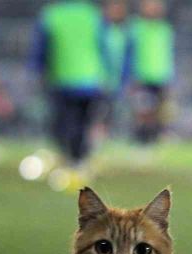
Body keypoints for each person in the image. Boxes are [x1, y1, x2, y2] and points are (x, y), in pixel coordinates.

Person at [31, 0, 108, 171]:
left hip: (62, 79)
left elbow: (41, 48)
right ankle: (78, 158)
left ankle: (70, 157)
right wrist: (105, 75)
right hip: (89, 79)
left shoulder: (51, 15)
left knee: (65, 122)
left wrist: (38, 71)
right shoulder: (92, 14)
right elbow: (103, 47)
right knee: (82, 122)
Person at [129, 0, 174, 144]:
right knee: (143, 109)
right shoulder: (135, 28)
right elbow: (130, 53)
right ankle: (142, 138)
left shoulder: (165, 29)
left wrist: (170, 75)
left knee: (157, 111)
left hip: (160, 76)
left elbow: (168, 53)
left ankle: (154, 138)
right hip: (142, 76)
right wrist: (132, 75)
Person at [100, 0, 132, 136]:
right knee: (99, 113)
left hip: (118, 81)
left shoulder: (126, 32)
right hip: (100, 81)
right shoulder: (100, 29)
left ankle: (112, 137)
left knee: (113, 113)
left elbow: (129, 58)